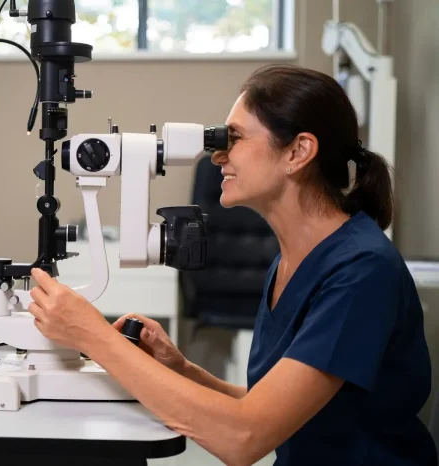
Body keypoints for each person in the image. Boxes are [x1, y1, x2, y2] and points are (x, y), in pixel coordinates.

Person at [27, 64, 437, 465]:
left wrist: (93, 335)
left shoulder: (360, 272)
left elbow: (244, 438)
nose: (218, 154)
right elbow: (270, 410)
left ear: (298, 151)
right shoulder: (291, 262)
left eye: (234, 137)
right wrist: (183, 370)